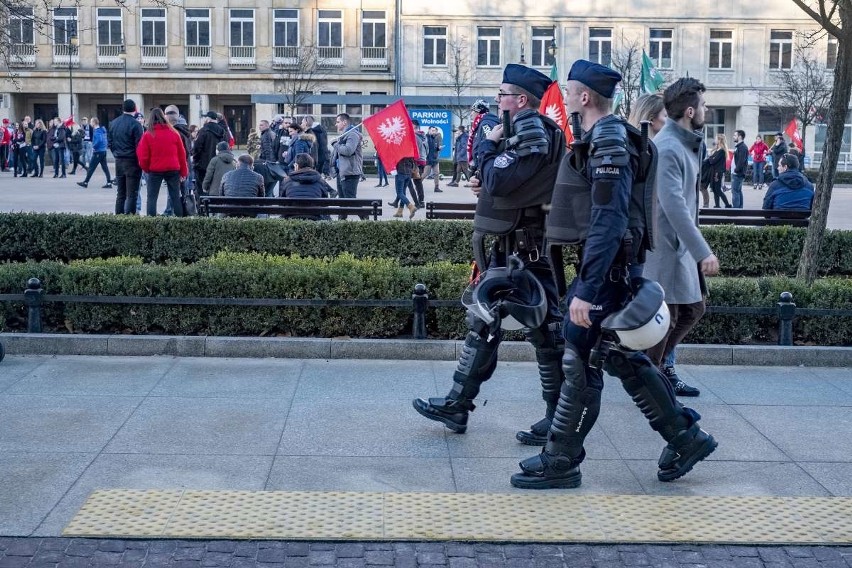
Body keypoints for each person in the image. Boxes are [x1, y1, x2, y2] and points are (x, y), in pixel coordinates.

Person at [511, 60, 717, 490]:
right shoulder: (602, 138)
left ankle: (562, 459)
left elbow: (609, 218)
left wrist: (586, 289)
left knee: (580, 361)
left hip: (607, 272)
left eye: (569, 92)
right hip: (610, 269)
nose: (565, 98)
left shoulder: (608, 141)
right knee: (621, 357)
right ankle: (685, 436)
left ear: (585, 97)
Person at [413, 63, 567, 451]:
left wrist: (485, 149)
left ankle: (557, 420)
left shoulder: (532, 128)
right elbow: (502, 182)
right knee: (486, 324)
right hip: (512, 247)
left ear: (520, 99)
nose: (497, 100)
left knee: (546, 334)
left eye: (502, 94)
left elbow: (499, 179)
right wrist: (489, 167)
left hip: (528, 251)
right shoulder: (520, 130)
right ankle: (457, 404)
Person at [642, 78, 720, 398]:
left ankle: (650, 371)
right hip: (668, 248)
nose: (706, 109)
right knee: (670, 317)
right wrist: (703, 251)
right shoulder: (669, 146)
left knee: (693, 309)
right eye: (703, 105)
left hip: (680, 249)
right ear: (690, 111)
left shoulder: (682, 142)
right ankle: (648, 380)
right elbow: (674, 205)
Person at [136, 108, 188, 217]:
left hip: (155, 169)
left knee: (152, 197)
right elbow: (182, 154)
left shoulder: (148, 134)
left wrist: (146, 168)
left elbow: (142, 155)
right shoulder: (174, 133)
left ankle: (151, 221)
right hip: (173, 168)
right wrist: (183, 171)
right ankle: (181, 221)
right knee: (175, 197)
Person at [109, 99, 144, 214]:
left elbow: (110, 143)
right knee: (132, 194)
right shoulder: (136, 125)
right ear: (134, 109)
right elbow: (140, 146)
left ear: (123, 109)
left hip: (119, 160)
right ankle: (129, 219)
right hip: (132, 162)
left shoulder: (113, 123)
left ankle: (119, 218)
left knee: (121, 193)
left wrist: (116, 154)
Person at [330, 113, 363, 219]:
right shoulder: (344, 135)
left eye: (338, 122)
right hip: (342, 172)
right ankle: (341, 223)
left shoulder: (352, 134)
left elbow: (348, 150)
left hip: (350, 172)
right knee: (342, 201)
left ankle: (365, 218)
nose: (336, 124)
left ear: (344, 122)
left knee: (350, 200)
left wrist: (335, 144)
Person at [192, 111, 226, 189]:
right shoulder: (222, 131)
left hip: (203, 166)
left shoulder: (203, 130)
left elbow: (197, 148)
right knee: (216, 188)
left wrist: (195, 161)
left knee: (202, 188)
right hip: (218, 164)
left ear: (208, 119)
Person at [77, 117, 112, 189]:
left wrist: (94, 146)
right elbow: (104, 140)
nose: (90, 123)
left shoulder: (97, 131)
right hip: (103, 151)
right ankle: (109, 183)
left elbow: (99, 140)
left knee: (91, 168)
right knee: (105, 168)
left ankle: (85, 182)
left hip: (98, 152)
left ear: (94, 123)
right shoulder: (102, 130)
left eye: (91, 122)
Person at [705, 134, 732, 208]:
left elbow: (712, 161)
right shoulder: (717, 149)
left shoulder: (721, 151)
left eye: (716, 139)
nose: (715, 140)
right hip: (714, 172)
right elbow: (712, 159)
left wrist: (710, 157)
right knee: (714, 189)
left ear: (720, 140)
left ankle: (727, 205)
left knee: (718, 190)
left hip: (717, 173)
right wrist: (711, 158)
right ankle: (717, 205)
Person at [730, 129, 747, 208]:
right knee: (738, 191)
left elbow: (741, 160)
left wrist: (736, 170)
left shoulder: (742, 147)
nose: (733, 137)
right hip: (737, 173)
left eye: (735, 135)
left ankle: (736, 210)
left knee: (735, 192)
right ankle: (739, 209)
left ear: (740, 137)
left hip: (737, 173)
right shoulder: (739, 146)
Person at [425, 126, 443, 192]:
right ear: (429, 130)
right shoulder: (426, 138)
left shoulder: (434, 138)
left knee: (437, 173)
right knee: (426, 173)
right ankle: (418, 184)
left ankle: (436, 187)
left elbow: (435, 148)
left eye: (434, 130)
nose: (433, 132)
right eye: (432, 130)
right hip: (429, 159)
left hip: (435, 158)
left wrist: (438, 148)